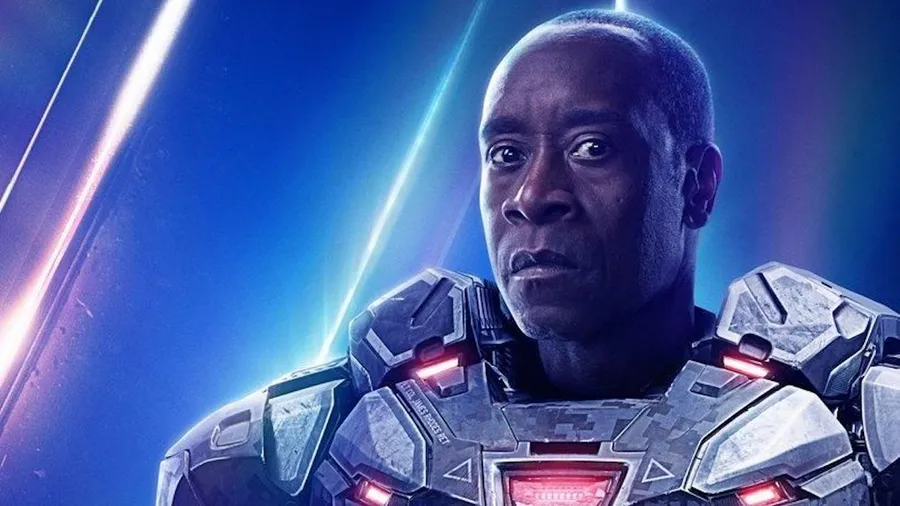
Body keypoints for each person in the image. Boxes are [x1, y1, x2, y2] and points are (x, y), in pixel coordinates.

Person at [156, 9, 900, 506]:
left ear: (696, 185)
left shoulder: (860, 424)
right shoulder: (322, 435)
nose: (534, 195)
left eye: (592, 148)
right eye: (506, 154)